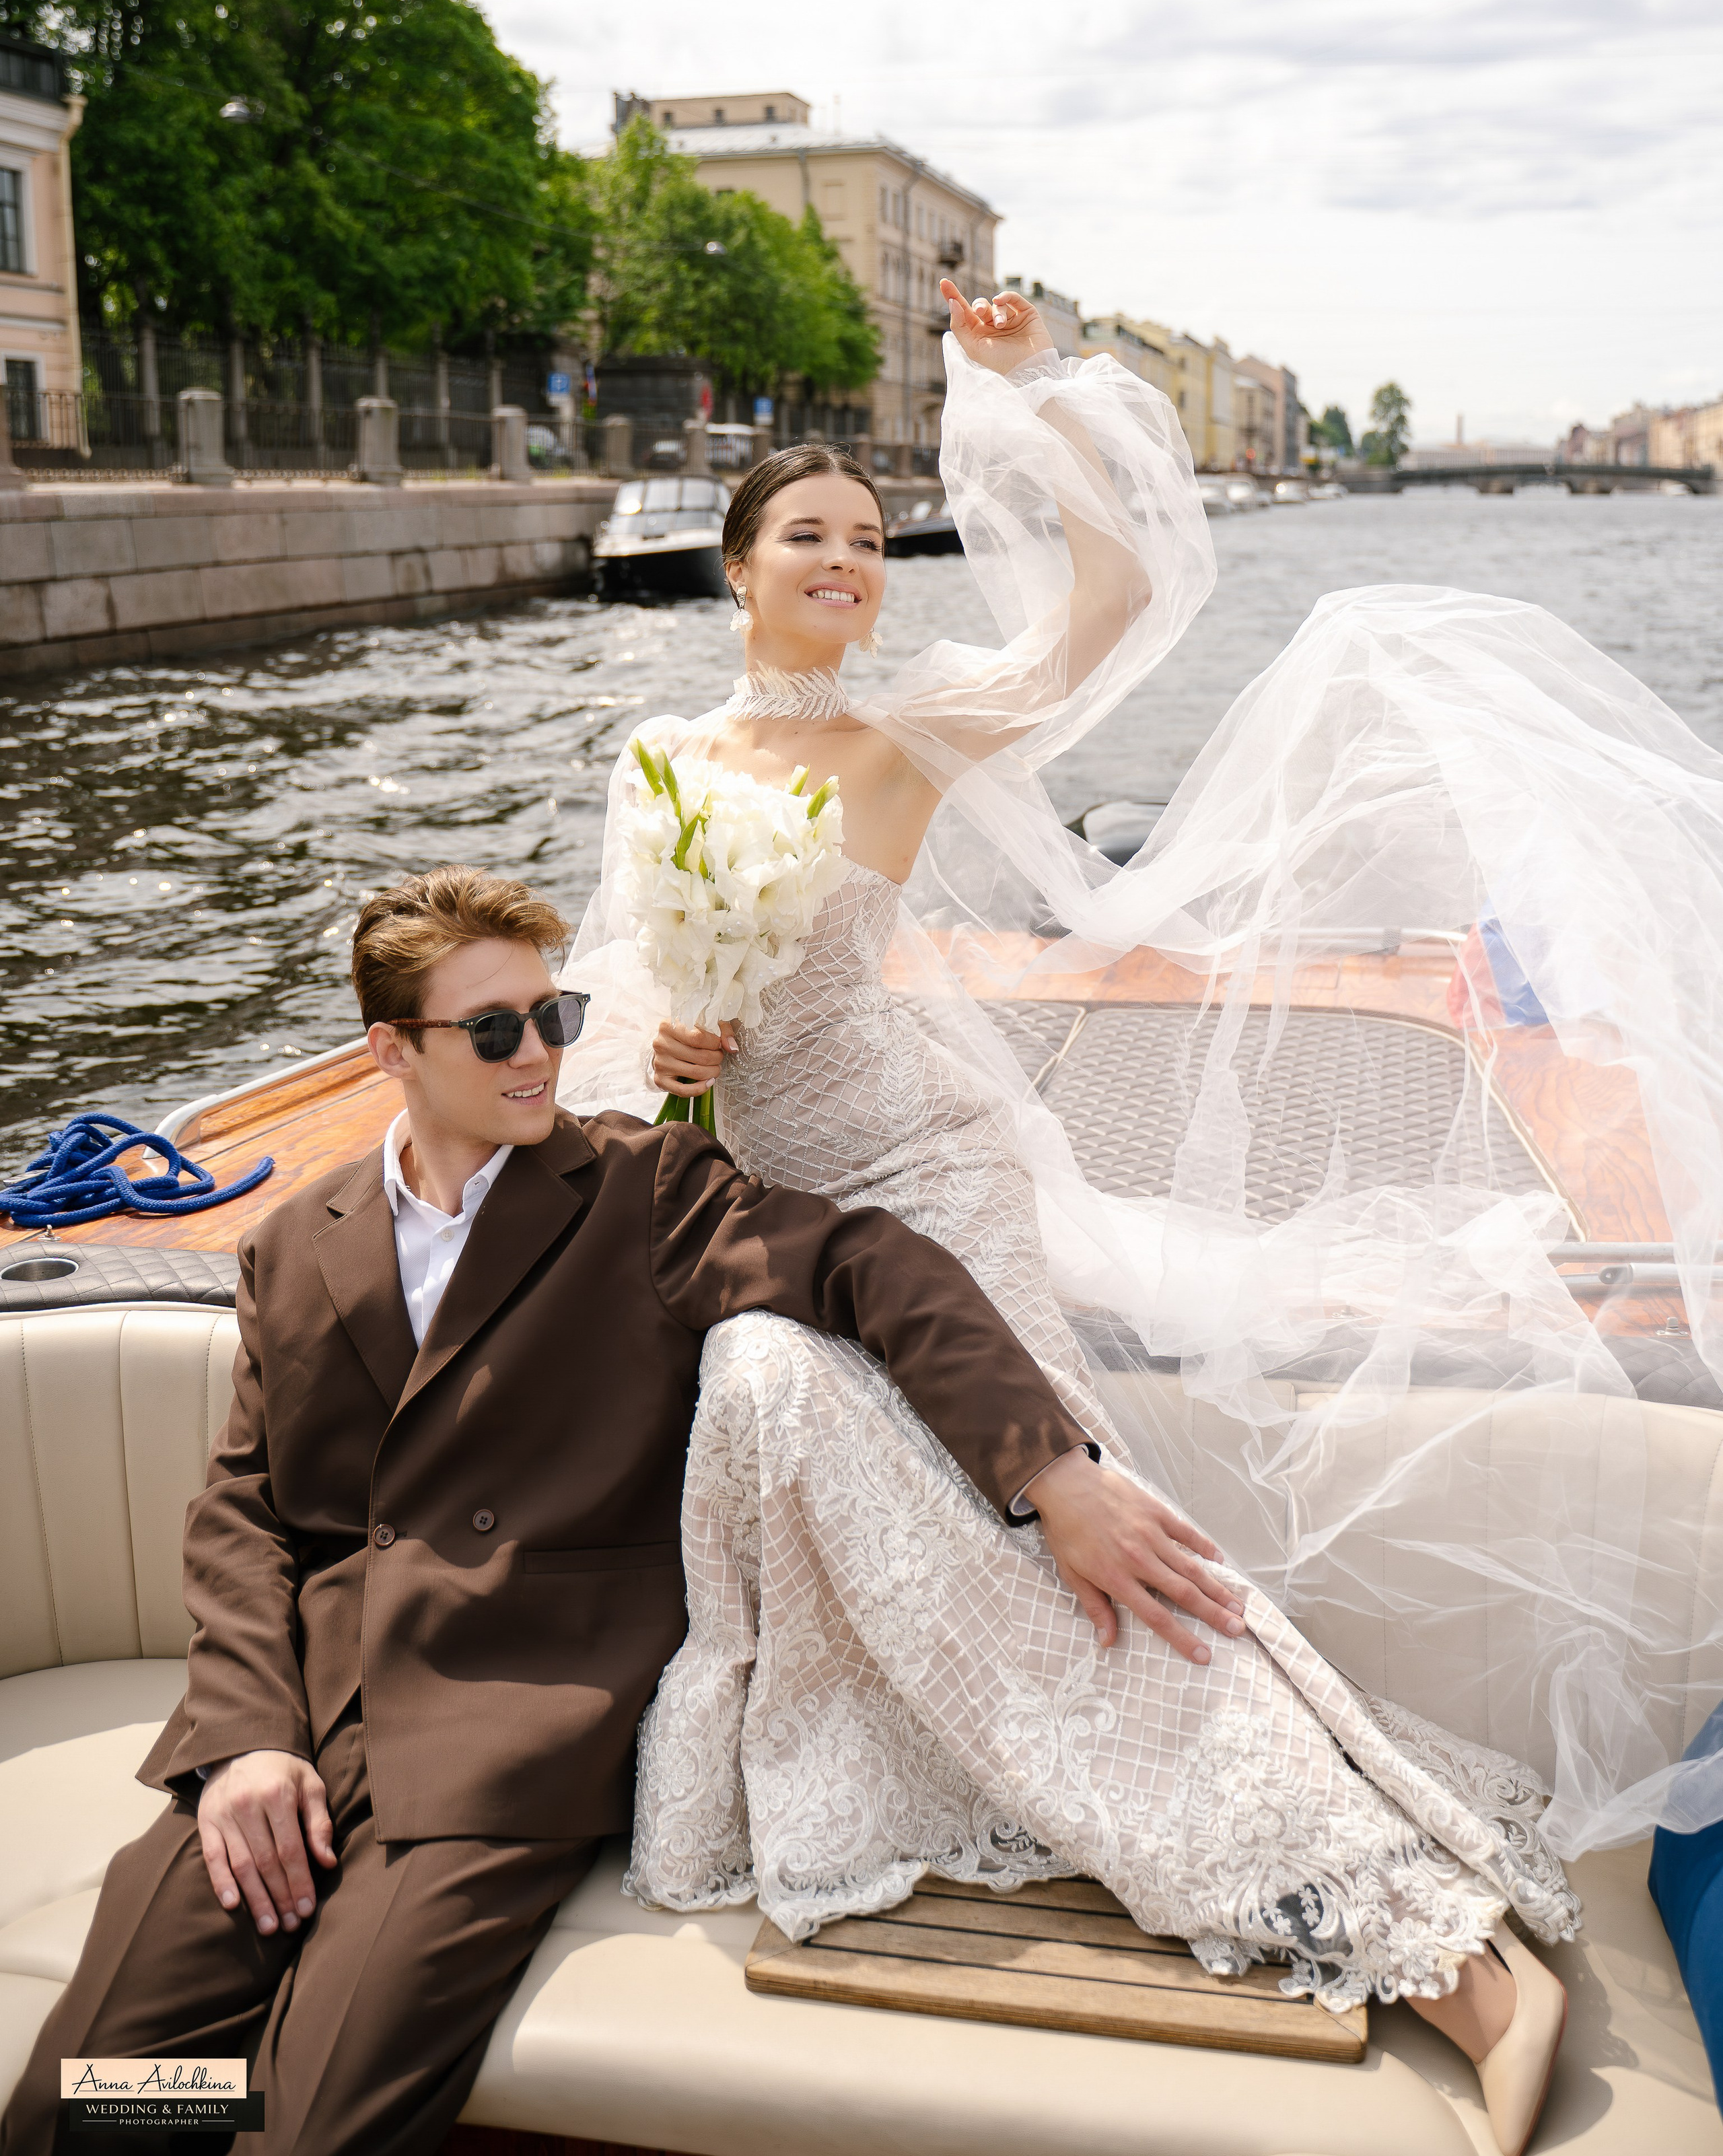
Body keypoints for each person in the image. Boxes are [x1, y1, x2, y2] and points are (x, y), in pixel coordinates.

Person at [560, 288, 1589, 2156]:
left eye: (874, 541)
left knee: (1035, 1512)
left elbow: (1109, 608)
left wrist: (1024, 392)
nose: (851, 564)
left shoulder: (913, 727)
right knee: (772, 1403)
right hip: (757, 1191)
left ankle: (1388, 1901)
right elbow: (618, 1005)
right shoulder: (659, 760)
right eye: (813, 535)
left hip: (921, 1168)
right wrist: (671, 1053)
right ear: (734, 562)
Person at [3, 863, 1192, 2156]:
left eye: (552, 1015)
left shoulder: (645, 1192)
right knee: (81, 2096)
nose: (540, 1056)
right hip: (292, 1730)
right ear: (389, 1049)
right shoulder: (293, 1242)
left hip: (497, 1740)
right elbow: (249, 1505)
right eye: (496, 1029)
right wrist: (240, 1740)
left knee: (311, 2126)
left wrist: (1052, 1473)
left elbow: (870, 1264)